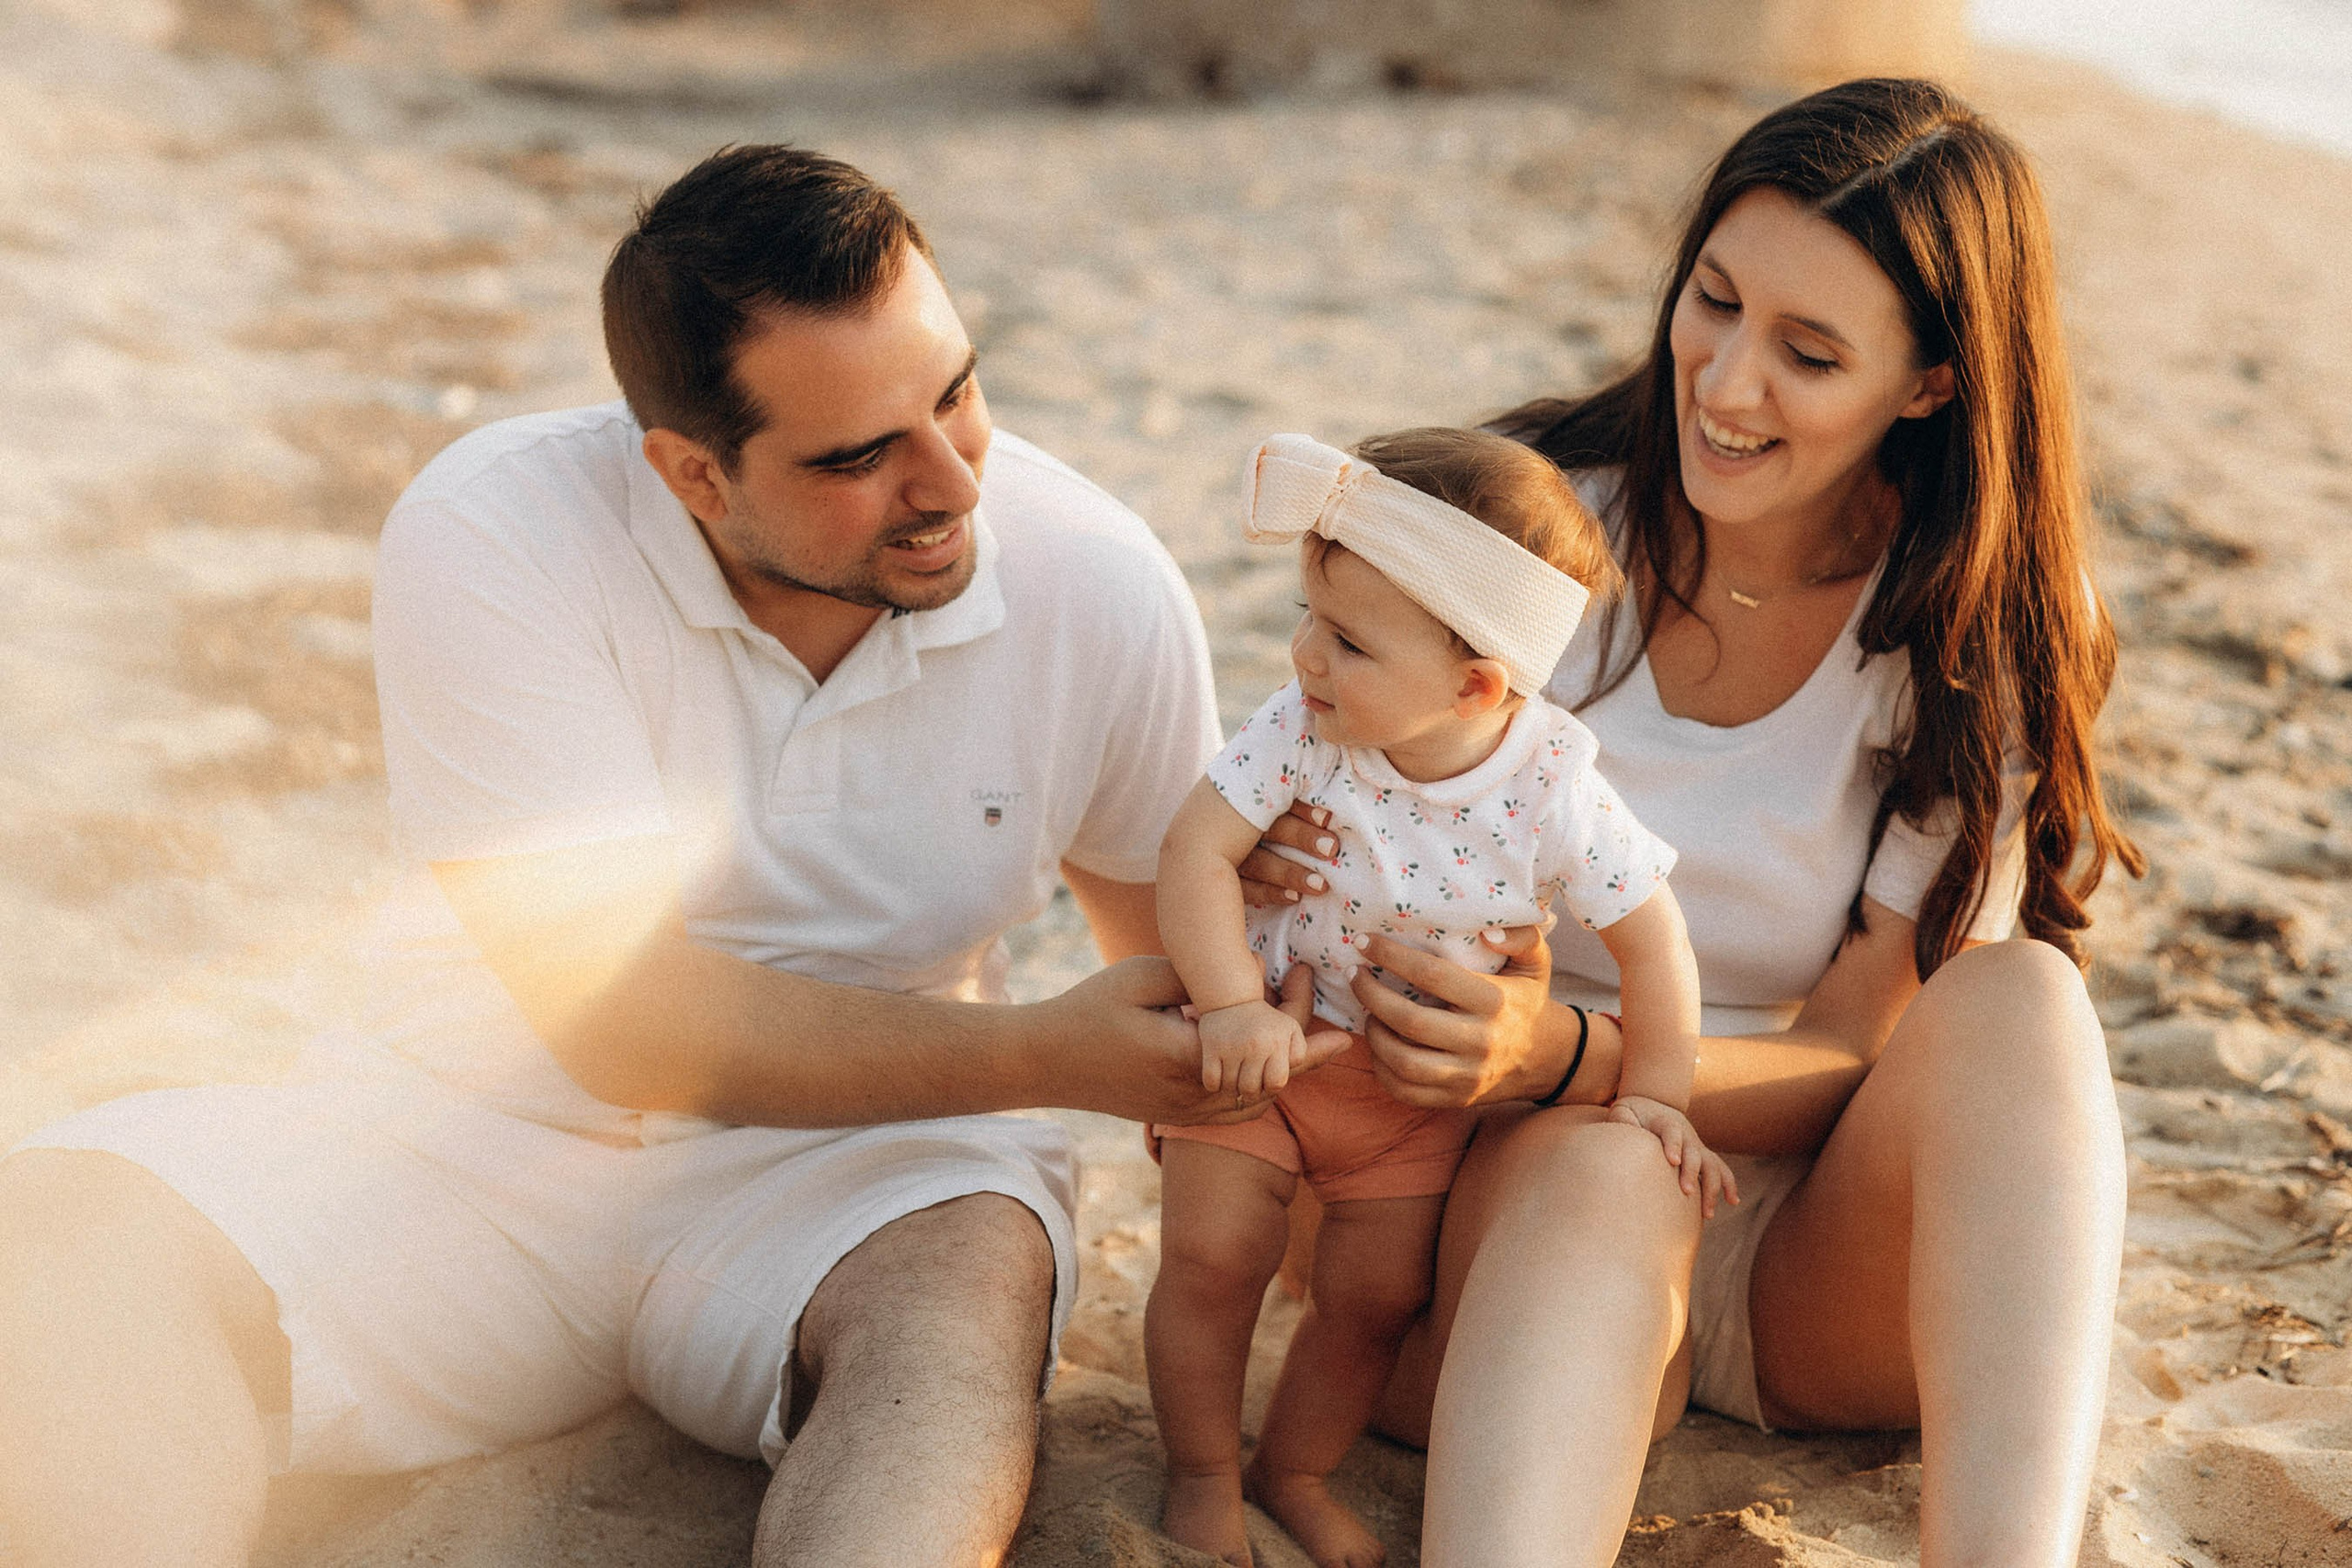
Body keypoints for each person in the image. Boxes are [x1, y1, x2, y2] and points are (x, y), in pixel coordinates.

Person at [0, 145, 1295, 1568]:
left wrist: (1504, 1048)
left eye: (956, 393)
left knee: (963, 1297)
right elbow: (620, 1023)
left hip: (873, 1166)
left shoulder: (1097, 584)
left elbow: (1188, 961)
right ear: (691, 471)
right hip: (460, 1134)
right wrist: (1048, 1057)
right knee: (73, 1234)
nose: (948, 482)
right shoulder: (497, 531)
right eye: (858, 455)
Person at [1240, 79, 2142, 1566]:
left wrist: (1583, 1052)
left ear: (1926, 383)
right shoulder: (1529, 534)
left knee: (2025, 995)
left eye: (1809, 352)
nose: (1726, 382)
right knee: (1608, 1164)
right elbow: (1303, 787)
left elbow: (1862, 1048)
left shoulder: (1977, 629)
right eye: (1714, 301)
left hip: (1804, 1253)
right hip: (1496, 1208)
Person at [1147, 427, 1732, 1568]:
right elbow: (1193, 852)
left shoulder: (1552, 786)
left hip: (1411, 1103)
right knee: (1212, 1258)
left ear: (1476, 684)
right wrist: (1227, 1004)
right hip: (1267, 1046)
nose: (1307, 657)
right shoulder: (1303, 732)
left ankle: (1296, 1469)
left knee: (1371, 1301)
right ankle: (1201, 1473)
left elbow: (1657, 942)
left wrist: (1657, 1094)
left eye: (1349, 641)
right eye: (1310, 618)